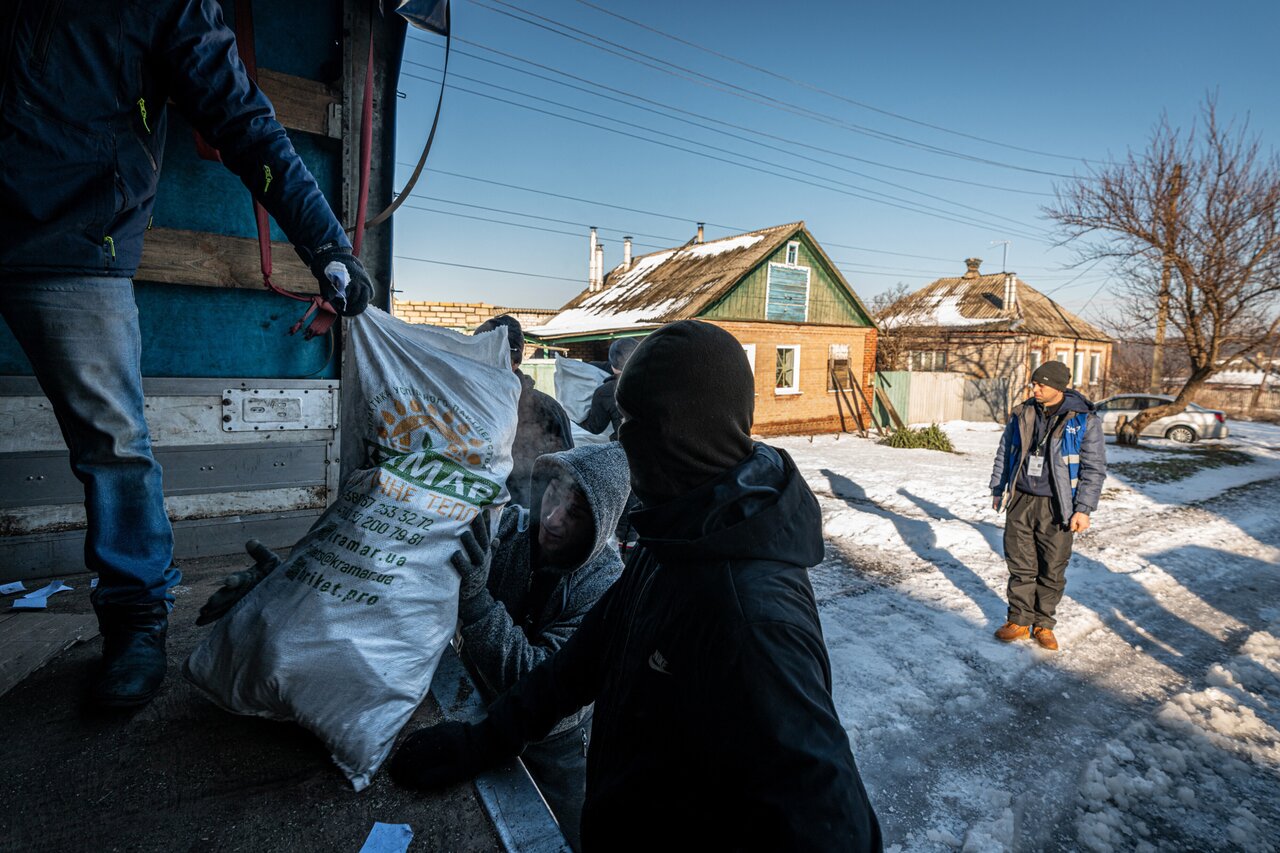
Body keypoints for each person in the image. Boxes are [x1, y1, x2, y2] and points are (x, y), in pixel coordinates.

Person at [0, 0, 373, 709]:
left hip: (75, 241)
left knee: (113, 444)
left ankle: (136, 618)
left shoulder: (169, 4)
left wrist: (326, 243)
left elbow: (243, 122)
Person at [390, 321, 882, 852]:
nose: (620, 439)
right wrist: (482, 741)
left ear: (672, 434)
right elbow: (576, 667)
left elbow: (835, 830)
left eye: (630, 423)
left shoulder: (752, 614)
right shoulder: (678, 538)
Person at [439, 443, 630, 851]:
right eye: (554, 495)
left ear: (602, 524)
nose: (554, 518)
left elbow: (537, 681)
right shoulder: (509, 529)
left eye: (576, 513)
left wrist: (476, 603)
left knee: (559, 838)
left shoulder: (606, 585)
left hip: (555, 747)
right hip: (481, 716)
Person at [989, 360, 1106, 651]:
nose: (1035, 388)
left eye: (1041, 384)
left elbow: (1094, 468)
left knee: (1052, 567)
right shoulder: (1023, 412)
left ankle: (1043, 624)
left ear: (1057, 386)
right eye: (1034, 383)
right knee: (1020, 563)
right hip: (1021, 500)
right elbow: (1006, 451)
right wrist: (998, 486)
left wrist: (1084, 509)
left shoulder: (1083, 420)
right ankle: (1018, 619)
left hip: (1058, 506)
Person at [474, 315, 574, 508]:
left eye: (492, 354)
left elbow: (569, 477)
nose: (482, 362)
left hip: (529, 522)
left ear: (516, 360)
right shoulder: (464, 405)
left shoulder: (546, 410)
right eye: (476, 352)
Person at [579, 338, 639, 441]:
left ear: (613, 364)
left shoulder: (605, 392)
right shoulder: (660, 380)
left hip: (627, 450)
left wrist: (573, 420)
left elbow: (595, 428)